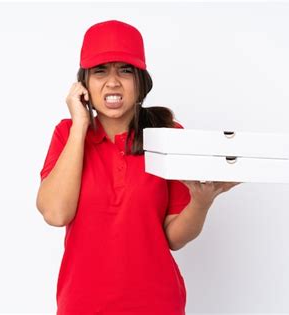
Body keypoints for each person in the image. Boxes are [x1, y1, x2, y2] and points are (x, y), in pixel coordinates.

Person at [36, 19, 240, 315]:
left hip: (157, 304)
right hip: (82, 306)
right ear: (83, 84)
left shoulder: (168, 134)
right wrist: (80, 125)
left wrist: (201, 202)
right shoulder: (67, 135)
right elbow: (55, 213)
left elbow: (173, 238)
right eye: (100, 71)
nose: (113, 82)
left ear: (141, 81)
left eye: (126, 70)